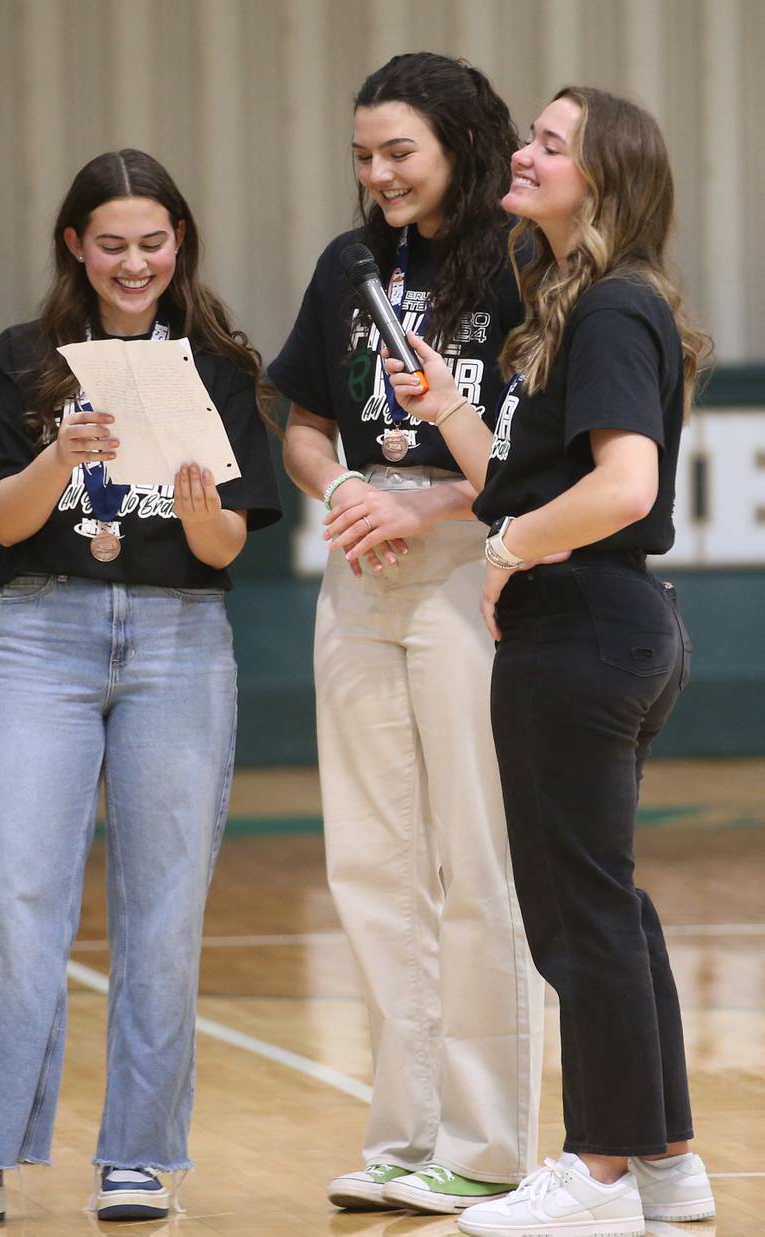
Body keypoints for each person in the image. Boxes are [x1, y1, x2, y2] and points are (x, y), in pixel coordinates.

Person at [0, 149, 282, 1231]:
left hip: (179, 641)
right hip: (45, 637)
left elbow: (225, 543)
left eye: (153, 243)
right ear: (75, 244)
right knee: (5, 890)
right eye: (111, 243)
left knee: (164, 911)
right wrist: (62, 458)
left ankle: (138, 1155)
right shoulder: (24, 360)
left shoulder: (218, 363)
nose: (134, 263)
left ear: (181, 244)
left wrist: (197, 494)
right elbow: (4, 521)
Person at [384, 86, 717, 1237]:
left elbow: (625, 486)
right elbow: (518, 479)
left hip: (582, 627)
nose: (524, 153)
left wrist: (511, 552)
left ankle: (598, 1173)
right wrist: (451, 411)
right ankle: (669, 1164)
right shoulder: (566, 309)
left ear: (604, 181)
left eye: (550, 143)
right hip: (601, 628)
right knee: (606, 905)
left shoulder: (617, 306)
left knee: (578, 915)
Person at [268, 52, 544, 1216]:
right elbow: (304, 422)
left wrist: (426, 502)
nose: (378, 174)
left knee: (478, 861)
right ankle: (405, 1136)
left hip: (469, 571)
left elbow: (532, 458)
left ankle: (488, 1146)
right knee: (373, 864)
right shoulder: (348, 266)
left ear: (460, 146)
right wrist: (337, 490)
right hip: (360, 572)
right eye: (363, 156)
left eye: (400, 153)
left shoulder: (526, 265)